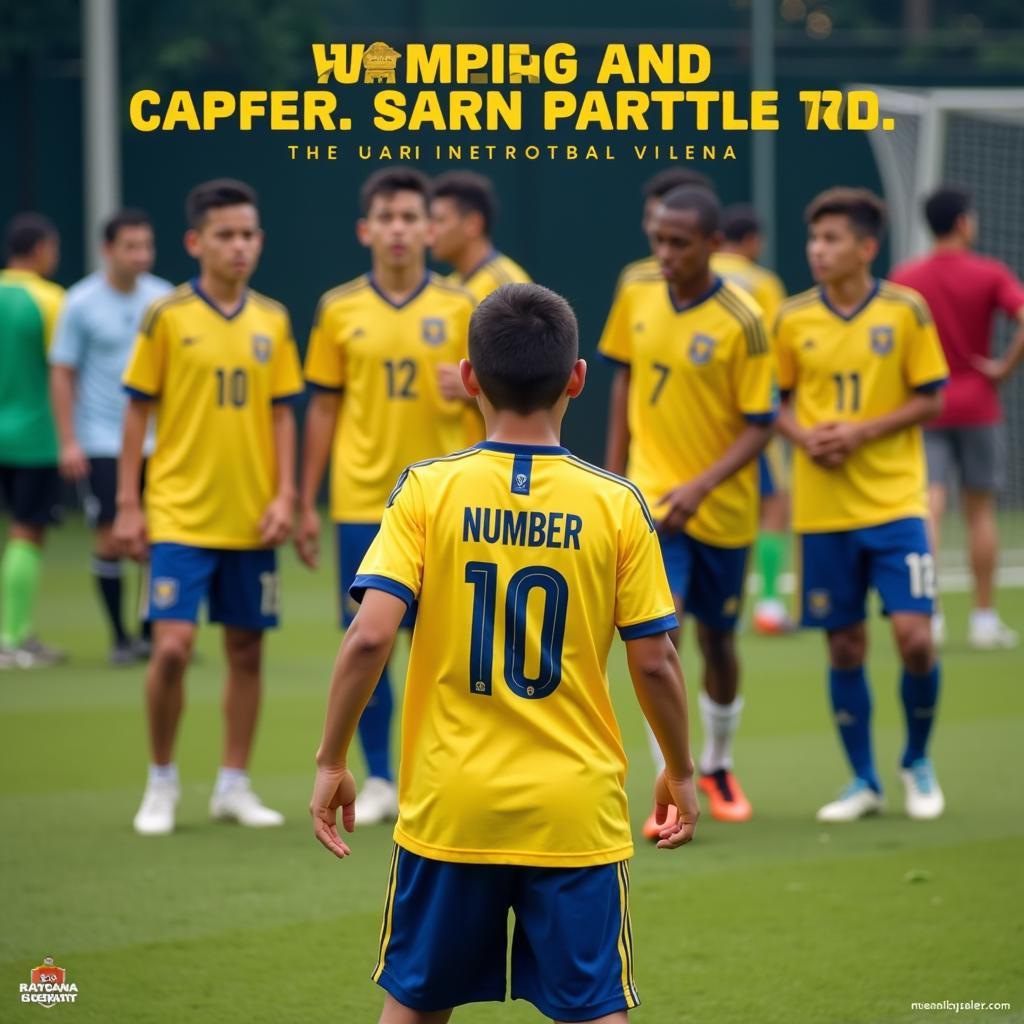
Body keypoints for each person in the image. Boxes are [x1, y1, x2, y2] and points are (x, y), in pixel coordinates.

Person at [310, 282, 699, 1024]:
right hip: (574, 812)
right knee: (595, 1011)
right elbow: (656, 661)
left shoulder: (427, 489)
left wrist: (332, 759)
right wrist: (681, 771)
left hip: (452, 806)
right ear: (578, 378)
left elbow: (369, 634)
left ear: (469, 378)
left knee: (415, 1009)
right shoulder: (617, 502)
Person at [115, 179, 303, 835]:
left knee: (246, 651)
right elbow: (137, 409)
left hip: (252, 517)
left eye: (249, 234)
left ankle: (233, 784)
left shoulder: (273, 320)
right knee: (172, 647)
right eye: (225, 234)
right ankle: (162, 780)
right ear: (197, 242)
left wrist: (286, 494)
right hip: (179, 514)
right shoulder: (167, 316)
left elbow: (284, 416)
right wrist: (127, 504)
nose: (239, 245)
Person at [297, 167, 475, 826]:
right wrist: (303, 496)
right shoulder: (338, 308)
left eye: (409, 218)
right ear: (365, 229)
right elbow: (322, 408)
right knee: (370, 641)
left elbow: (505, 400)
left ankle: (437, 772)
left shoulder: (460, 308)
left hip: (447, 501)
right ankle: (378, 777)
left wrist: (474, 390)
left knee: (446, 648)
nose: (398, 230)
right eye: (386, 218)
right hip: (363, 502)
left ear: (430, 229)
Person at [600, 186, 777, 830]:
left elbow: (762, 423)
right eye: (658, 240)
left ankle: (720, 762)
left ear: (712, 245)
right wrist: (617, 476)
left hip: (722, 510)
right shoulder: (636, 288)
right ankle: (672, 780)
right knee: (658, 636)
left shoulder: (745, 318)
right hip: (650, 501)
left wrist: (701, 486)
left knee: (719, 641)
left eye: (678, 243)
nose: (664, 254)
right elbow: (621, 376)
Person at [775, 187, 949, 823]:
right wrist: (804, 437)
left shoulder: (906, 311)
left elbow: (932, 397)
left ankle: (917, 761)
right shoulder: (792, 319)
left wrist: (860, 432)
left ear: (866, 247)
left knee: (915, 639)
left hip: (896, 503)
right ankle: (864, 780)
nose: (818, 251)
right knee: (844, 647)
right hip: (823, 512)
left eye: (832, 239)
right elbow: (775, 404)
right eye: (814, 239)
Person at [891, 184, 1024, 650]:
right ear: (964, 222)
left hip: (927, 405)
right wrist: (1004, 368)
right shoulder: (989, 273)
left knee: (929, 504)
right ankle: (984, 619)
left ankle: (932, 613)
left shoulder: (906, 277)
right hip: (979, 405)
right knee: (980, 512)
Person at [49, 209, 172, 664]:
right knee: (111, 537)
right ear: (108, 250)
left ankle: (150, 634)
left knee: (160, 534)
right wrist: (69, 440)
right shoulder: (80, 303)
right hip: (102, 440)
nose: (141, 255)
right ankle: (120, 637)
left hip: (160, 444)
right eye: (131, 247)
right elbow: (62, 373)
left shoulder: (163, 299)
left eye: (147, 246)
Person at [712, 205, 792, 635]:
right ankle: (768, 606)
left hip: (702, 413)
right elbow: (775, 351)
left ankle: (727, 604)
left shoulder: (696, 273)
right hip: (752, 411)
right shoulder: (762, 282)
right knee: (772, 502)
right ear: (753, 242)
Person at [0, 213, 66, 669]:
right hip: (36, 435)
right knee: (27, 532)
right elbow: (64, 371)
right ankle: (12, 635)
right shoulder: (51, 300)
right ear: (42, 249)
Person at [430, 169, 531, 444]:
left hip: (503, 454)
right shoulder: (445, 287)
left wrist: (474, 388)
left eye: (439, 220)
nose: (429, 230)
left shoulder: (508, 285)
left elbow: (532, 384)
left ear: (473, 223)